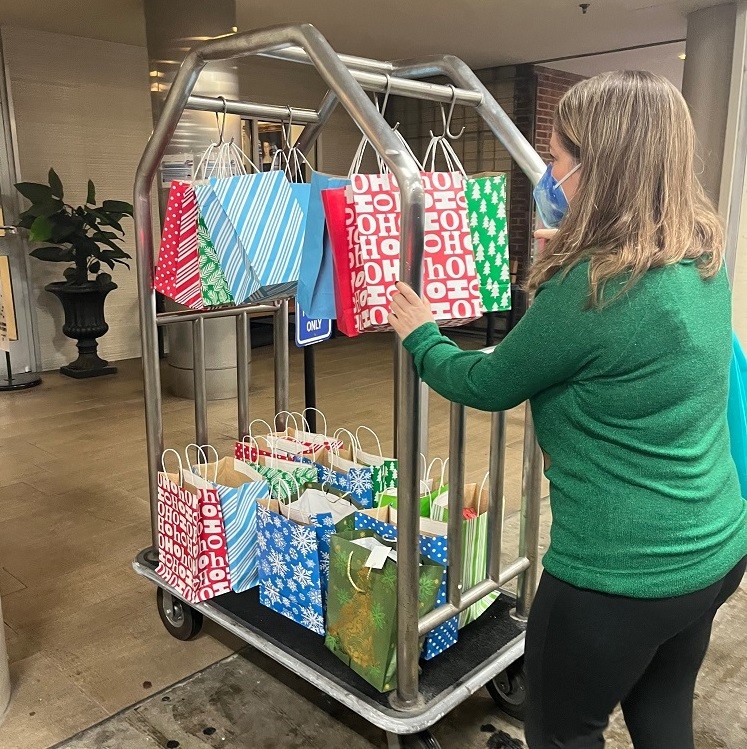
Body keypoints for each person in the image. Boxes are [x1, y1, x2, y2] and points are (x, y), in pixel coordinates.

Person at [388, 70, 747, 749]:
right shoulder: (700, 258)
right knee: (661, 704)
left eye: (553, 158)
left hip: (618, 577)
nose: (546, 174)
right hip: (716, 548)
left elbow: (487, 381)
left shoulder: (590, 286)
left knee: (560, 732)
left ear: (595, 167)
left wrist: (423, 335)